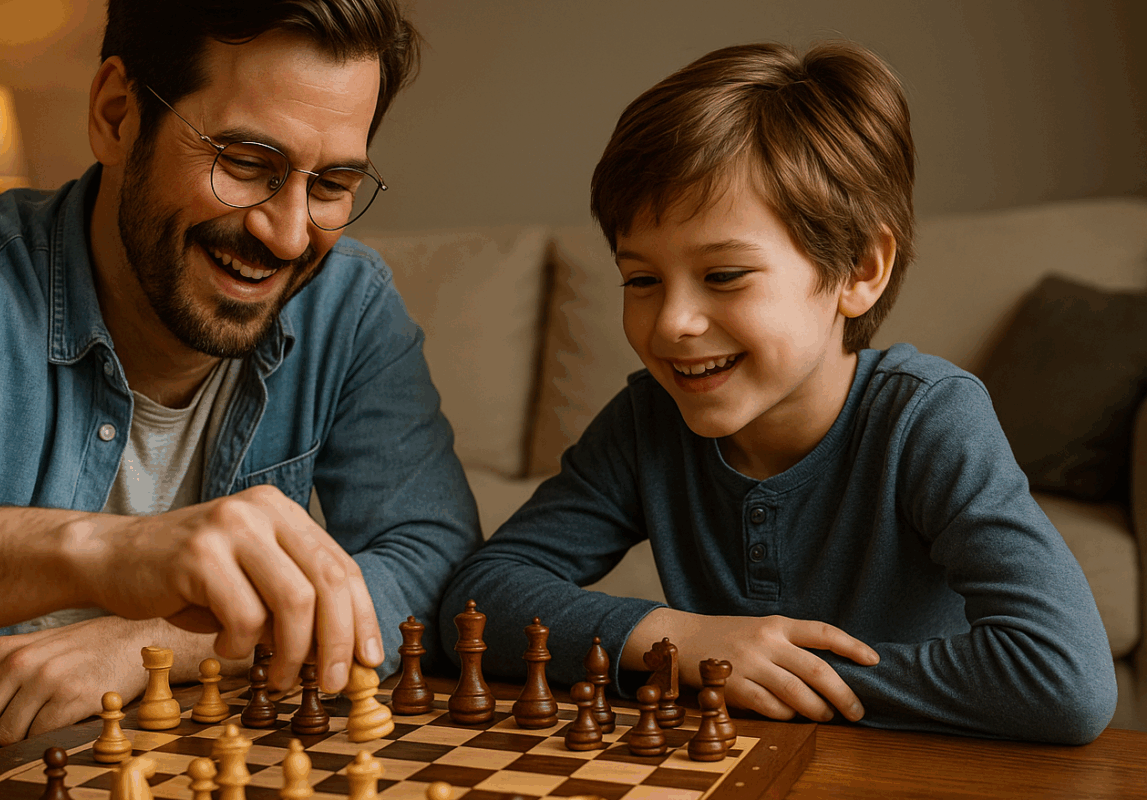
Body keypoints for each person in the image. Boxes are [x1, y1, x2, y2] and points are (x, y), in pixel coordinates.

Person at [0, 0, 481, 766]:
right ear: (117, 114)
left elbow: (437, 560)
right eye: (245, 163)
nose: (291, 235)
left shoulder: (348, 306)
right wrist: (113, 554)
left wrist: (155, 644)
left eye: (331, 184)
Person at [442, 40, 1117, 744]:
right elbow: (479, 596)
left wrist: (765, 676)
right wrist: (681, 641)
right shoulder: (647, 422)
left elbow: (1066, 679)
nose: (671, 323)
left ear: (860, 270)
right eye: (641, 279)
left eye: (724, 275)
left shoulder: (928, 419)